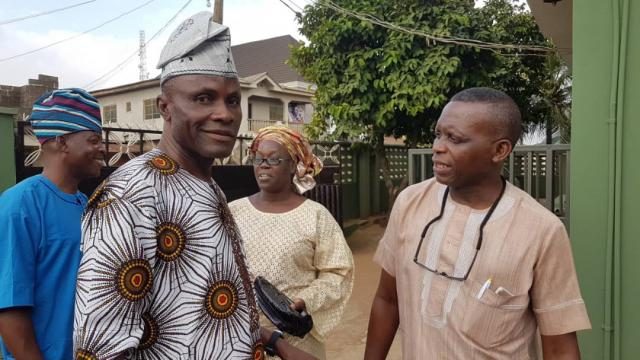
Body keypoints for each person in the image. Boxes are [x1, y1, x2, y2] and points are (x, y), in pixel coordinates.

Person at [73, 12, 315, 360]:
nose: (225, 113)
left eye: (232, 100)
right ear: (165, 108)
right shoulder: (132, 196)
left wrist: (274, 341)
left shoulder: (206, 186)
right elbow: (101, 349)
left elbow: (198, 318)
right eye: (204, 98)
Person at [364, 87, 591, 359]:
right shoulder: (409, 203)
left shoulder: (542, 231)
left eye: (455, 138)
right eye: (438, 134)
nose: (438, 147)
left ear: (499, 150)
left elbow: (560, 346)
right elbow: (388, 301)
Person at [229, 126, 354, 359]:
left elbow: (337, 273)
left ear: (293, 165)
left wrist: (304, 300)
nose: (263, 165)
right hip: (241, 336)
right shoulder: (233, 212)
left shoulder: (316, 216)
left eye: (274, 159)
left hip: (297, 341)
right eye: (258, 158)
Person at [0, 88, 104, 360]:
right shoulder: (20, 205)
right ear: (61, 141)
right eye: (93, 140)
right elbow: (10, 309)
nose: (101, 148)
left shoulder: (88, 206)